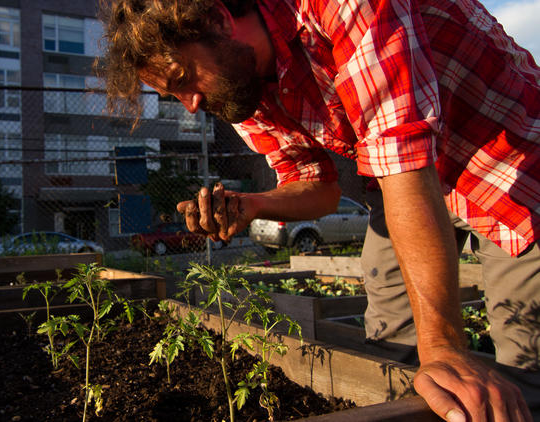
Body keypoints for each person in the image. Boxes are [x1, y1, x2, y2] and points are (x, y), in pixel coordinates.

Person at [97, 0, 540, 420]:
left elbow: (403, 157)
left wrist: (444, 348)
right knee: (390, 341)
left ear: (217, 19)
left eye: (181, 78)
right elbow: (319, 188)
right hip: (405, 182)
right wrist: (252, 204)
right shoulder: (243, 86)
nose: (190, 103)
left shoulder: (336, 8)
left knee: (523, 359)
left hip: (512, 164)